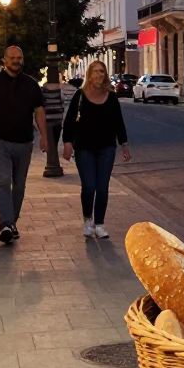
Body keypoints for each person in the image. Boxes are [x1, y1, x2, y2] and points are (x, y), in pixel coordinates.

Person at [0, 46, 48, 245]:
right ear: (4, 61)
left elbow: (39, 112)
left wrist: (44, 136)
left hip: (24, 142)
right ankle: (6, 223)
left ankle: (11, 224)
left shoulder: (31, 84)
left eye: (19, 58)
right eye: (12, 58)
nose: (16, 61)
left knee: (20, 185)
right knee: (4, 182)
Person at [61, 59, 131, 238]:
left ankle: (99, 224)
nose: (100, 75)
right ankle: (87, 220)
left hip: (106, 148)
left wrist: (124, 144)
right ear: (89, 76)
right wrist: (67, 142)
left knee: (102, 187)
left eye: (102, 71)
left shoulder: (111, 97)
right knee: (89, 186)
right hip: (84, 148)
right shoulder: (80, 95)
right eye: (97, 71)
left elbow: (118, 122)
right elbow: (69, 122)